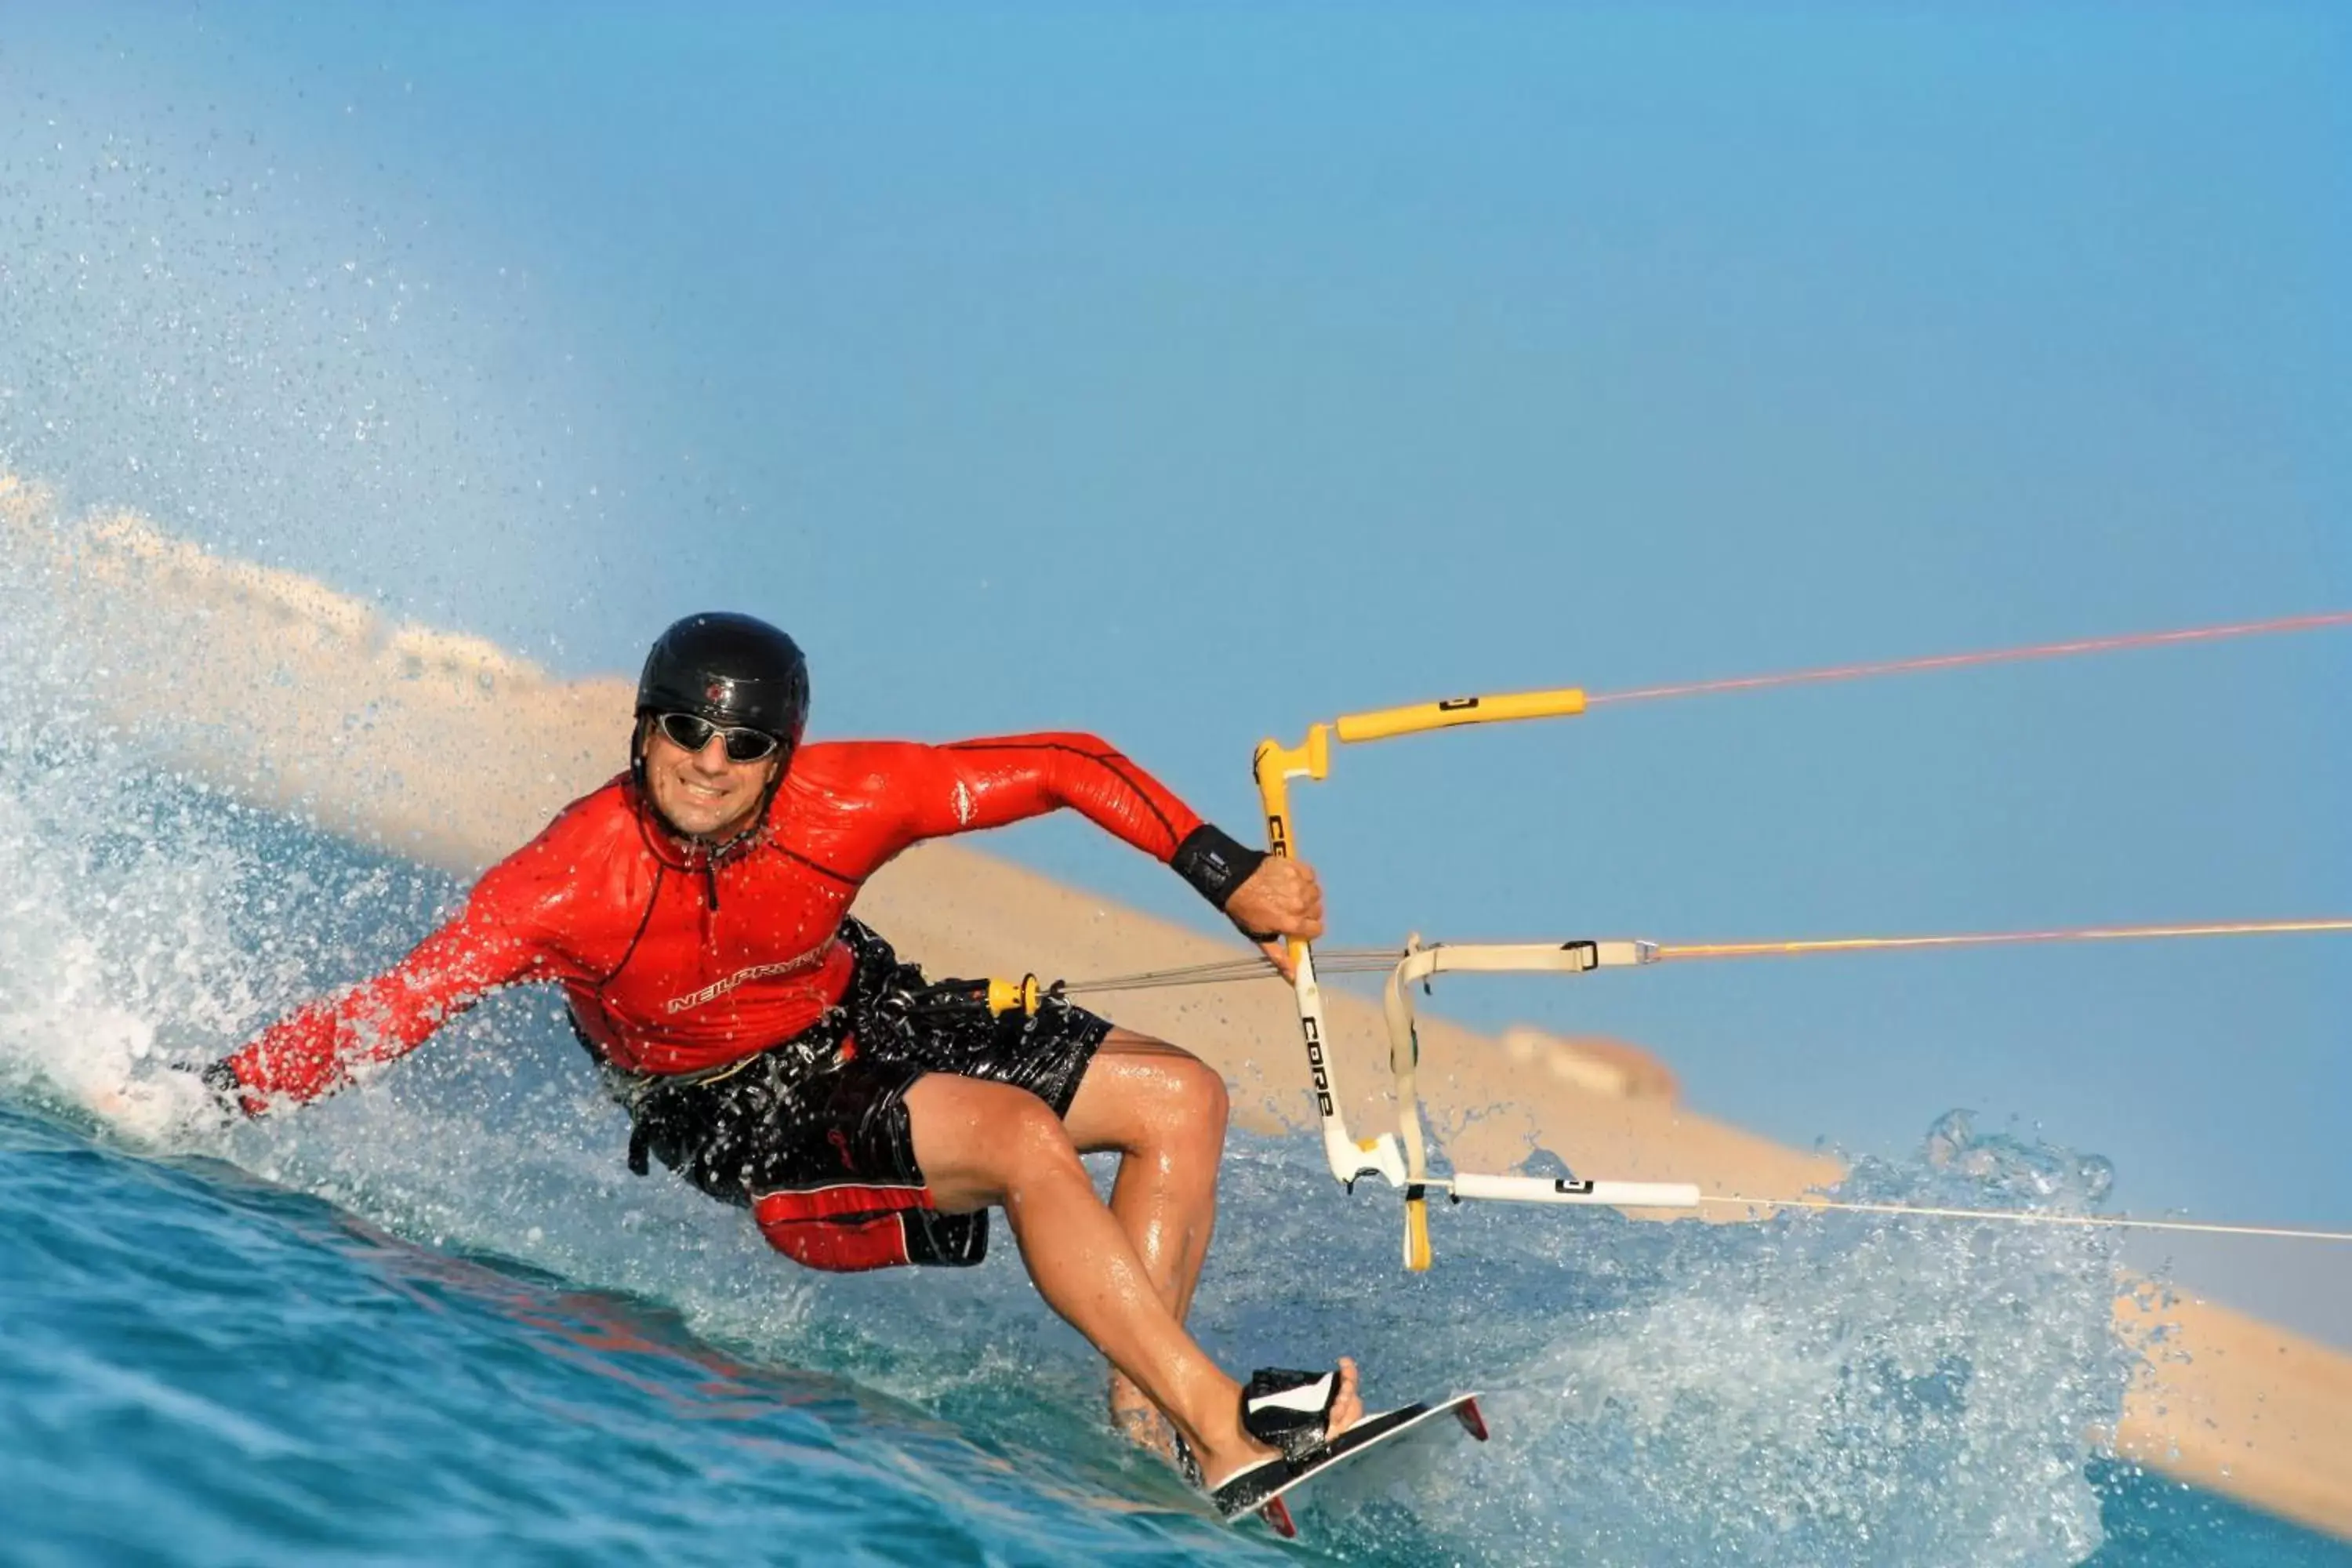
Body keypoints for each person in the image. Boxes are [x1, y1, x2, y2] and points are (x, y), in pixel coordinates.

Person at [199, 610, 1361, 1495]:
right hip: (733, 1113)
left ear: (782, 756)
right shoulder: (563, 883)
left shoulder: (846, 799)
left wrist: (1232, 879)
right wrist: (212, 1098)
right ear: (645, 730)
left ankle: (1149, 1422)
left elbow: (1068, 763)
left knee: (1181, 1097)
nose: (709, 760)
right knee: (1020, 1139)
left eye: (744, 742)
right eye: (685, 730)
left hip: (862, 1015)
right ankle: (1223, 1425)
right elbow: (393, 1007)